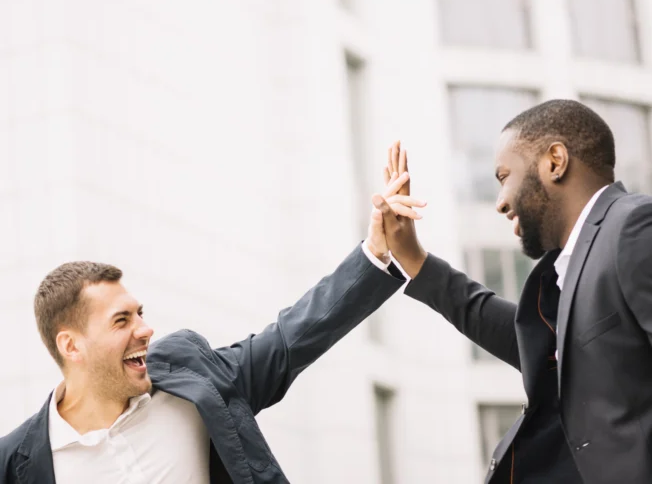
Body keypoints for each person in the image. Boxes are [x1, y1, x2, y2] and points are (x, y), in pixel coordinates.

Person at [373, 102, 652, 484]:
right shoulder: (576, 264)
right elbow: (533, 343)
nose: (500, 202)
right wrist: (414, 260)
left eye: (504, 176)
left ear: (555, 162)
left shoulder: (641, 229)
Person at [0, 167, 426, 483]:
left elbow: (288, 341)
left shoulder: (191, 376)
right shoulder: (15, 463)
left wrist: (376, 250)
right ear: (71, 346)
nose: (145, 330)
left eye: (139, 313)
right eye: (121, 320)